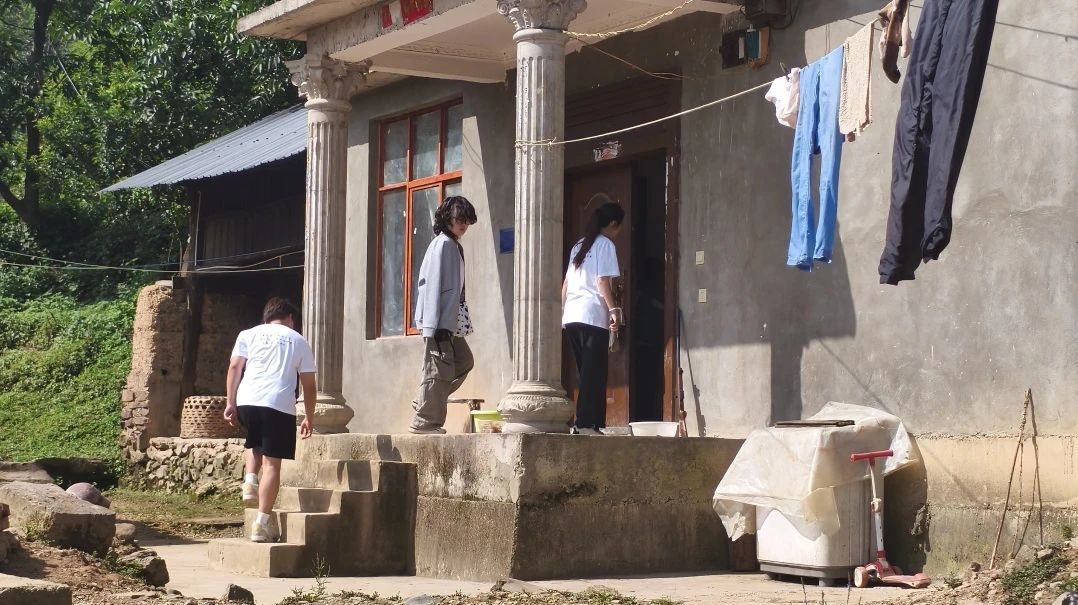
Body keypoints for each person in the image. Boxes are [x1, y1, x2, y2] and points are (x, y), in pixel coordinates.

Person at [223, 297, 316, 542]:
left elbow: (235, 367)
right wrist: (309, 416)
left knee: (254, 441)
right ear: (290, 318)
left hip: (247, 400)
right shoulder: (299, 340)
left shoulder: (247, 334)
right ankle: (261, 524)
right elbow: (309, 385)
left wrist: (230, 402)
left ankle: (250, 480)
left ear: (267, 317)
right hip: (278, 404)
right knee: (272, 465)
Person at [410, 196, 478, 434]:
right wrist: (433, 325)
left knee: (464, 361)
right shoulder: (443, 244)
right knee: (438, 371)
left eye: (467, 220)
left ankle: (424, 399)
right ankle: (425, 422)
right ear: (447, 218)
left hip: (450, 322)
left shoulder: (453, 245)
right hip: (439, 323)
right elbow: (430, 286)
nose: (464, 224)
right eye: (460, 219)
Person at [562, 202, 625, 435]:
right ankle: (586, 423)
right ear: (613, 224)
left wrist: (563, 313)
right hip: (591, 315)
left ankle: (588, 423)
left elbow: (566, 283)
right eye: (619, 227)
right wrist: (613, 309)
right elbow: (602, 281)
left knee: (586, 371)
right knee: (594, 372)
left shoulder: (579, 245)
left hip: (572, 315)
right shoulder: (606, 244)